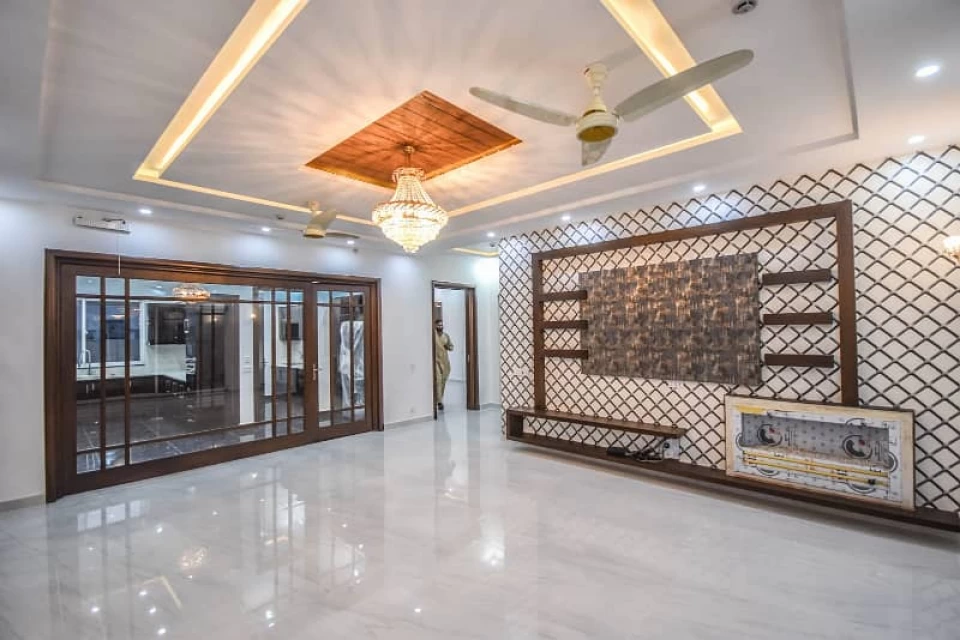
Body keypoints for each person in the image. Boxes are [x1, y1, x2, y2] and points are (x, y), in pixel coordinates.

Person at [434, 318, 454, 410]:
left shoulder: (446, 336)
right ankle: (439, 402)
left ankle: (439, 398)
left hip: (445, 361)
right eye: (438, 325)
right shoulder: (433, 336)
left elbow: (451, 347)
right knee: (438, 380)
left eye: (441, 325)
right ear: (435, 326)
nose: (440, 326)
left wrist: (448, 346)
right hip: (436, 361)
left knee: (443, 381)